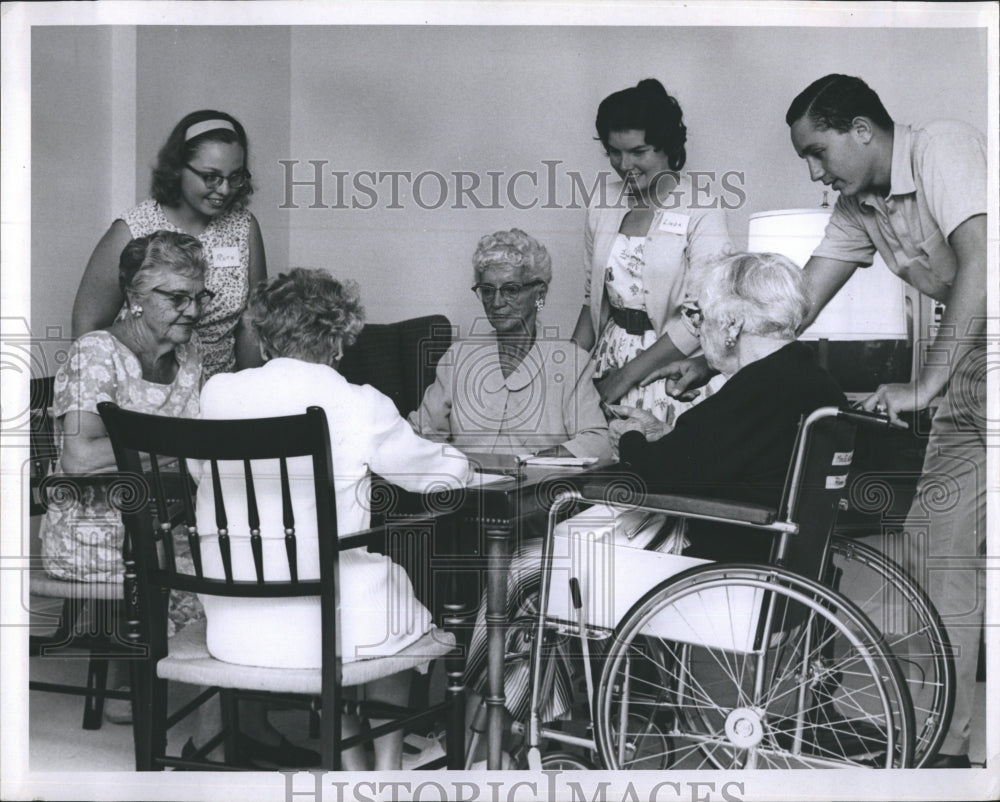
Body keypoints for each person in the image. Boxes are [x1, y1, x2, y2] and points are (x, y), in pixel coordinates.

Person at [784, 74, 986, 769]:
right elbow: (796, 303)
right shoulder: (856, 206)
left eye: (818, 151)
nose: (815, 172)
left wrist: (928, 378)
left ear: (862, 129)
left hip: (965, 364)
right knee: (940, 561)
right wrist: (700, 351)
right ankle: (950, 755)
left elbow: (984, 261)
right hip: (971, 378)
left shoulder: (943, 148)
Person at [194, 268, 473, 771]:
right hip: (318, 635)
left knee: (355, 591)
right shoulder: (358, 402)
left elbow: (199, 474)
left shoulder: (217, 393)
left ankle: (352, 765)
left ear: (262, 337)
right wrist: (463, 461)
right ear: (340, 342)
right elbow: (438, 476)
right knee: (390, 601)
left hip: (230, 626)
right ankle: (384, 768)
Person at [611, 251, 846, 562]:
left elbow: (660, 475)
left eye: (701, 317)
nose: (699, 330)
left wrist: (630, 439)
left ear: (732, 324)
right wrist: (661, 432)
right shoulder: (811, 380)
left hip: (729, 564)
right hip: (790, 563)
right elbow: (731, 456)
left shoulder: (759, 388)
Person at [41, 230, 207, 633]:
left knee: (254, 560)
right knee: (221, 575)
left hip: (165, 526)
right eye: (177, 298)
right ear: (135, 298)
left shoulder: (190, 354)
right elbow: (79, 459)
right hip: (94, 534)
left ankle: (228, 684)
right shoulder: (97, 353)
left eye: (201, 296)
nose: (193, 310)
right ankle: (172, 684)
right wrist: (180, 445)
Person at [570, 78, 733, 421]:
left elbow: (703, 314)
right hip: (606, 360)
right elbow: (592, 299)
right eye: (614, 152)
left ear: (667, 147)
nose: (624, 164)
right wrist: (565, 372)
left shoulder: (702, 207)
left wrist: (625, 378)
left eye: (638, 152)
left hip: (671, 364)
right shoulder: (602, 202)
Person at [71, 110, 266, 379]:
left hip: (219, 389)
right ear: (177, 169)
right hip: (145, 388)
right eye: (211, 176)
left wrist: (245, 391)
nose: (224, 190)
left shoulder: (244, 227)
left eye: (235, 177)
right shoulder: (132, 229)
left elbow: (253, 321)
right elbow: (88, 324)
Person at [409, 228, 613, 462]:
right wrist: (454, 466)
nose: (496, 302)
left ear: (540, 293)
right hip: (466, 491)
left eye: (510, 290)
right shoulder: (457, 357)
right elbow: (422, 433)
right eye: (487, 290)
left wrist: (530, 464)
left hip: (537, 491)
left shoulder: (570, 362)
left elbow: (597, 442)